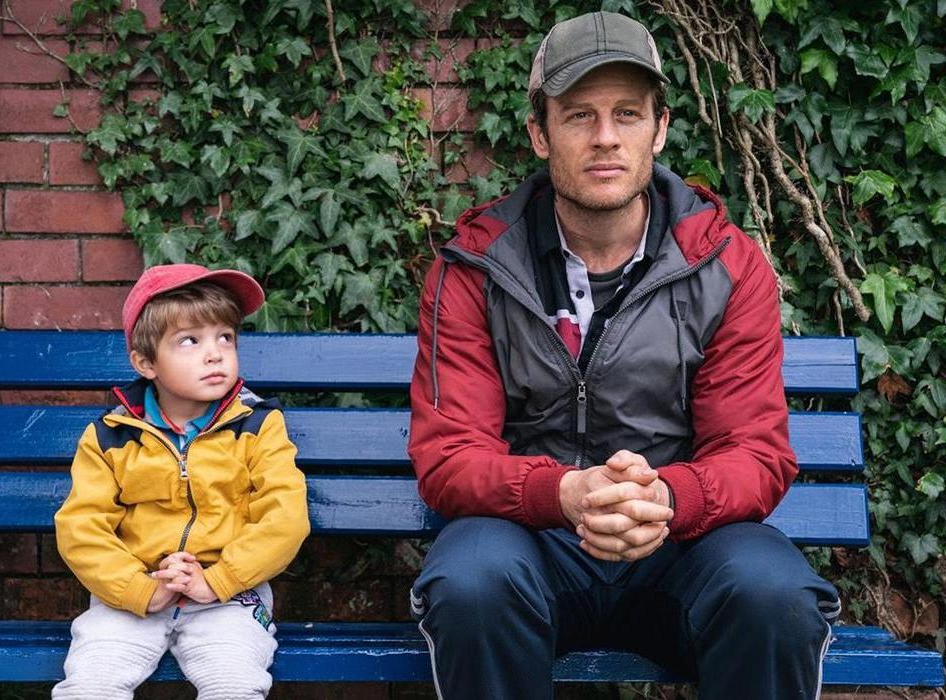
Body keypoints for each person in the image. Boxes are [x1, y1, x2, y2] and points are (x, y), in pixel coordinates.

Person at [407, 11, 840, 699]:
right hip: (533, 545)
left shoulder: (725, 266)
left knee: (773, 593)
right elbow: (451, 455)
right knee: (471, 582)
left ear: (659, 129)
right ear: (539, 133)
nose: (605, 137)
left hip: (680, 548)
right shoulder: (476, 269)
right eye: (579, 114)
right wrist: (564, 494)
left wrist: (666, 496)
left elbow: (753, 451)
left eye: (628, 114)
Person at [52, 263, 310, 700]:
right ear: (145, 362)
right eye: (190, 340)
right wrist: (139, 589)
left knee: (234, 685)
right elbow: (81, 528)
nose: (215, 354)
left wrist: (217, 580)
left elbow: (284, 519)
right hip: (134, 595)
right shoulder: (111, 437)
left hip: (230, 597)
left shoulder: (258, 427)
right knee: (91, 684)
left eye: (224, 337)